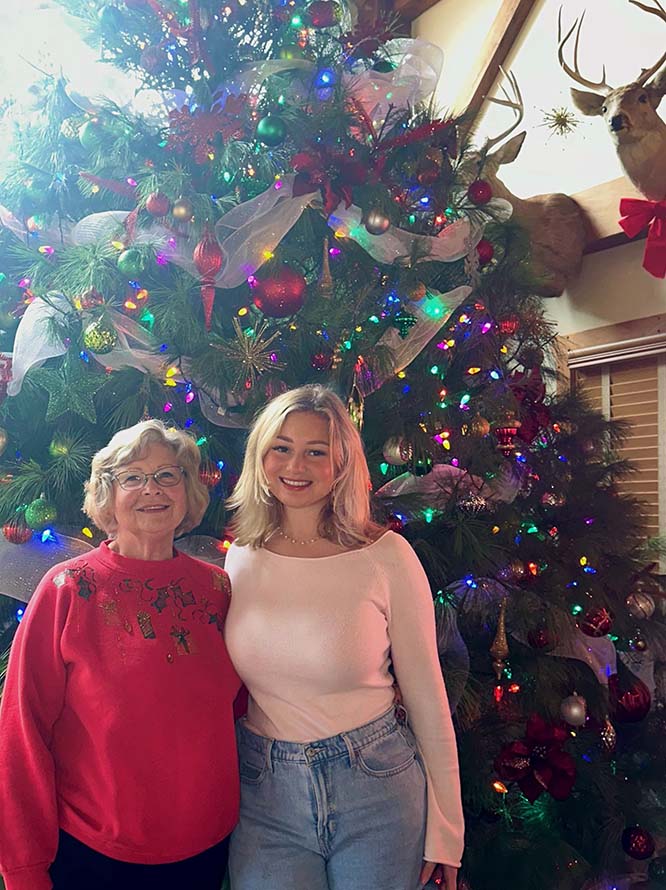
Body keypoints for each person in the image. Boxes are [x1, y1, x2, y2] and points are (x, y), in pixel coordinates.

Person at [224, 384, 464, 890]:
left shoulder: (387, 557)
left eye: (316, 452)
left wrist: (447, 831)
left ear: (341, 464)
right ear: (261, 456)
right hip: (265, 792)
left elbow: (427, 699)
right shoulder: (241, 555)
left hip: (375, 786)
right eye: (281, 448)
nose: (296, 465)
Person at [0, 419, 241, 890]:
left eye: (168, 475)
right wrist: (23, 867)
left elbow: (246, 710)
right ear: (107, 495)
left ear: (189, 491)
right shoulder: (68, 589)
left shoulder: (218, 589)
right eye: (132, 477)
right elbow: (21, 731)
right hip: (92, 855)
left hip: (207, 849)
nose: (153, 489)